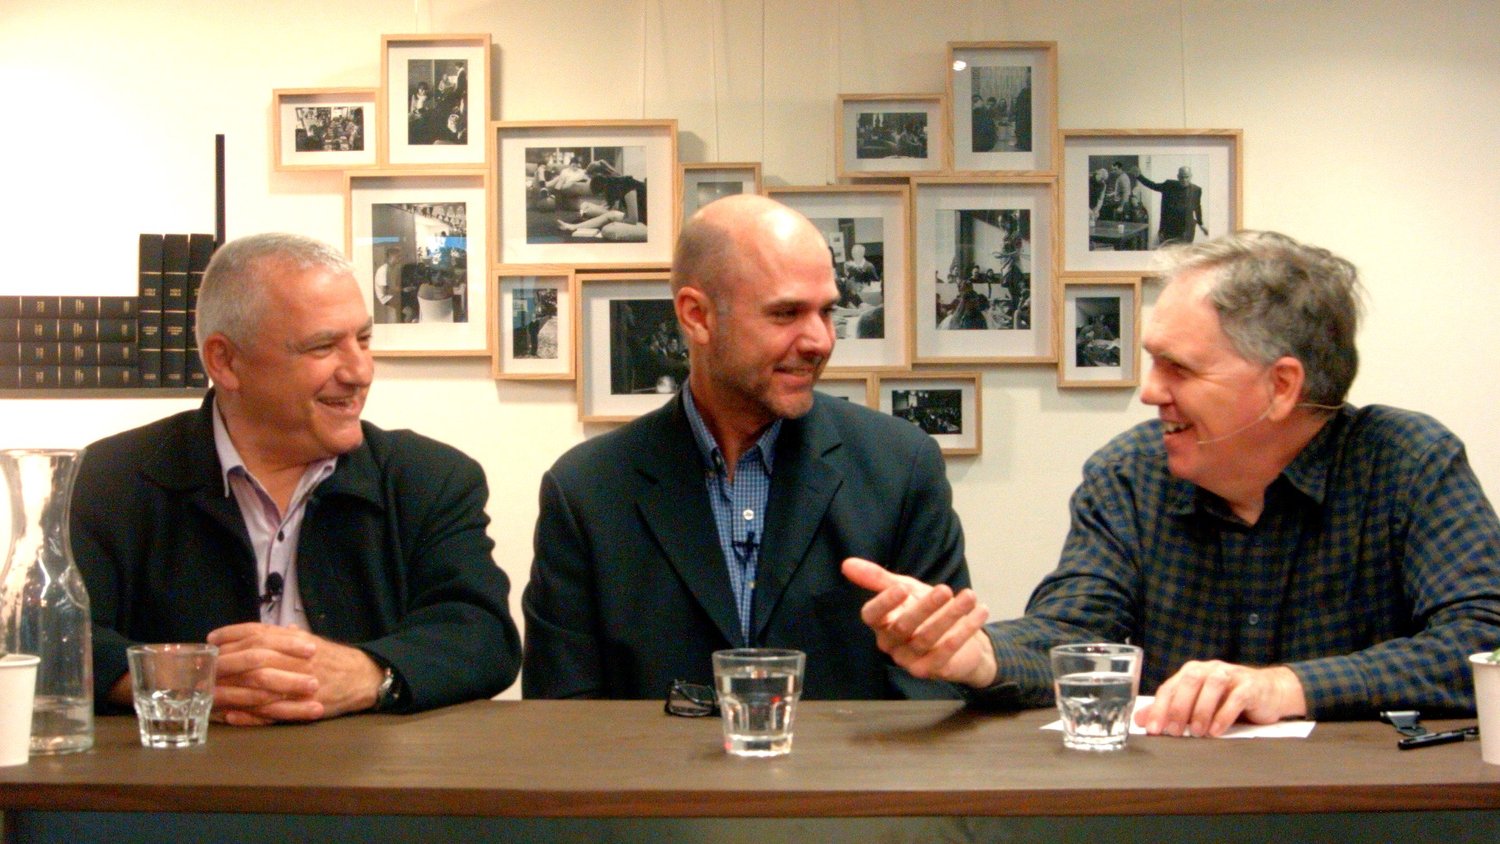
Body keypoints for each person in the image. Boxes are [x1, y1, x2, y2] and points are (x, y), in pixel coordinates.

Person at [845, 230, 1500, 736]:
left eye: (1177, 368)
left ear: (1281, 386)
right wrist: (979, 656)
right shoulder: (1130, 475)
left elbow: (1484, 644)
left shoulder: (1407, 464)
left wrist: (1286, 687)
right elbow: (1075, 633)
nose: (1149, 392)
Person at [523, 194, 972, 700]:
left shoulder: (899, 467)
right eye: (786, 313)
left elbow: (937, 689)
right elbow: (563, 715)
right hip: (651, 756)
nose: (821, 340)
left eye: (827, 311)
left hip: (846, 756)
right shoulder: (587, 491)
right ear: (697, 316)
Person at [71, 232, 522, 725]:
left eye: (364, 340)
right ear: (225, 361)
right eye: (323, 346)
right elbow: (53, 637)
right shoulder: (110, 480)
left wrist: (368, 673)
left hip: (370, 770)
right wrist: (177, 680)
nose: (360, 371)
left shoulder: (429, 479)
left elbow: (482, 636)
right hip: (175, 768)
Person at [1136, 165, 1208, 246]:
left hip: (1187, 231)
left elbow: (1197, 207)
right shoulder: (1169, 185)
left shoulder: (1196, 190)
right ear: (1178, 177)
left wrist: (1201, 224)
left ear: (1191, 176)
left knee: (1184, 252)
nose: (1184, 180)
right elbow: (1153, 185)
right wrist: (1139, 176)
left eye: (1187, 177)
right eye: (1181, 177)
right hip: (1169, 230)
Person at [372, 245, 402, 324]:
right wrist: (401, 290)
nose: (400, 259)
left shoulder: (393, 269)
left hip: (391, 296)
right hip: (384, 299)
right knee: (405, 302)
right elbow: (386, 291)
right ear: (391, 257)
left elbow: (394, 286)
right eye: (398, 257)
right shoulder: (383, 270)